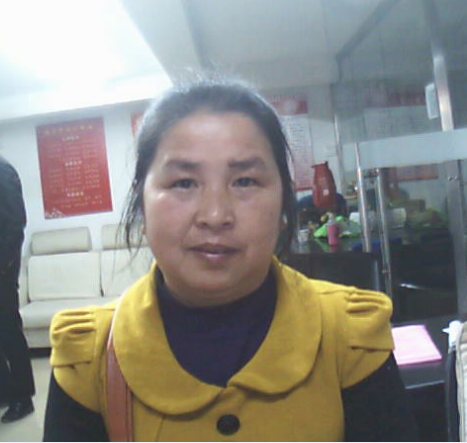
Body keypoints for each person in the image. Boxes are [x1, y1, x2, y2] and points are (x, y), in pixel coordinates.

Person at [43, 78, 418, 441]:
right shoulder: (88, 359)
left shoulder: (349, 336)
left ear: (283, 204)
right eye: (184, 183)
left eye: (244, 182)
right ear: (141, 205)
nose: (215, 215)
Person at [0, 155, 35, 423]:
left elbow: (15, 224)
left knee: (9, 332)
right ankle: (5, 392)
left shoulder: (3, 171)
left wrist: (3, 265)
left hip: (2, 269)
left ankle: (24, 398)